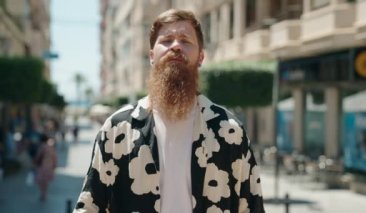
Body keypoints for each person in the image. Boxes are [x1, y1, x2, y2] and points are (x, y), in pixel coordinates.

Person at [74, 9, 264, 213]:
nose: (175, 46)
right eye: (166, 40)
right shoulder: (118, 129)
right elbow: (89, 206)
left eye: (185, 40)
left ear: (200, 57)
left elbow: (250, 206)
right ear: (151, 56)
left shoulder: (229, 131)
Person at [34, 134, 57, 202]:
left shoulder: (42, 147)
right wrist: (54, 165)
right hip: (49, 165)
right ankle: (45, 193)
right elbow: (54, 156)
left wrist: (35, 162)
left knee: (41, 180)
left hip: (42, 165)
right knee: (46, 181)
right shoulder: (50, 147)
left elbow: (38, 156)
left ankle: (42, 193)